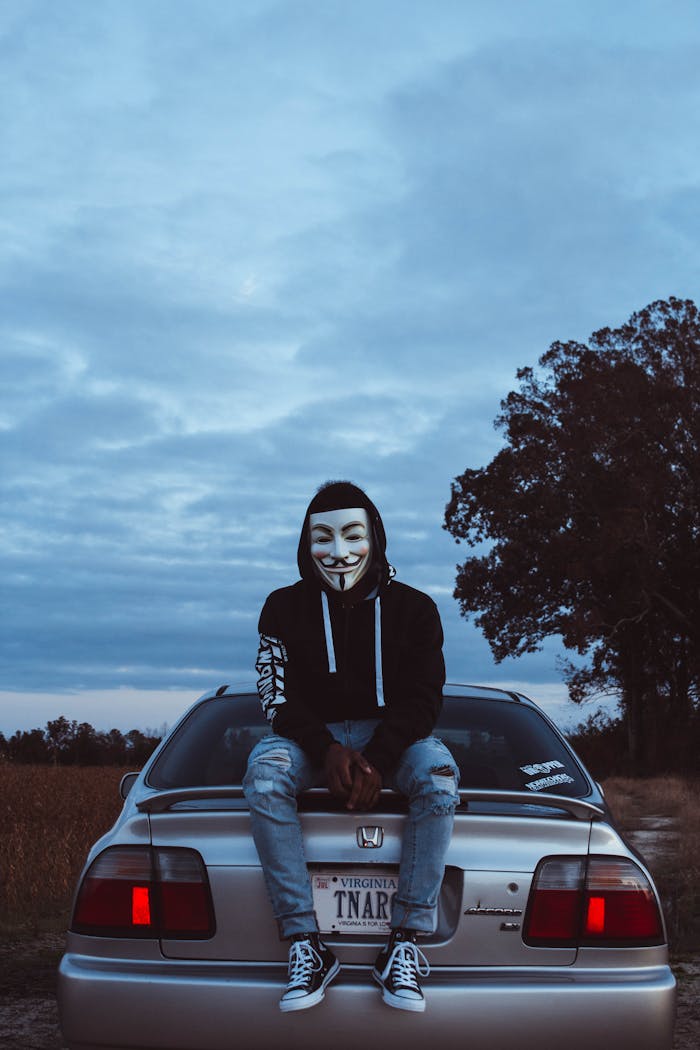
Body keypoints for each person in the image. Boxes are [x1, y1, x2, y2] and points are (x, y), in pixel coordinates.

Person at [243, 480, 459, 1013]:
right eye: (323, 538)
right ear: (305, 542)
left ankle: (404, 943)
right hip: (305, 740)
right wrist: (323, 749)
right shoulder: (281, 608)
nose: (338, 552)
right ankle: (305, 946)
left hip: (392, 739)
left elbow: (424, 698)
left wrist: (380, 759)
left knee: (438, 776)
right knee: (264, 775)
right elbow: (275, 693)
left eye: (352, 535)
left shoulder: (415, 609)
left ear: (375, 538)